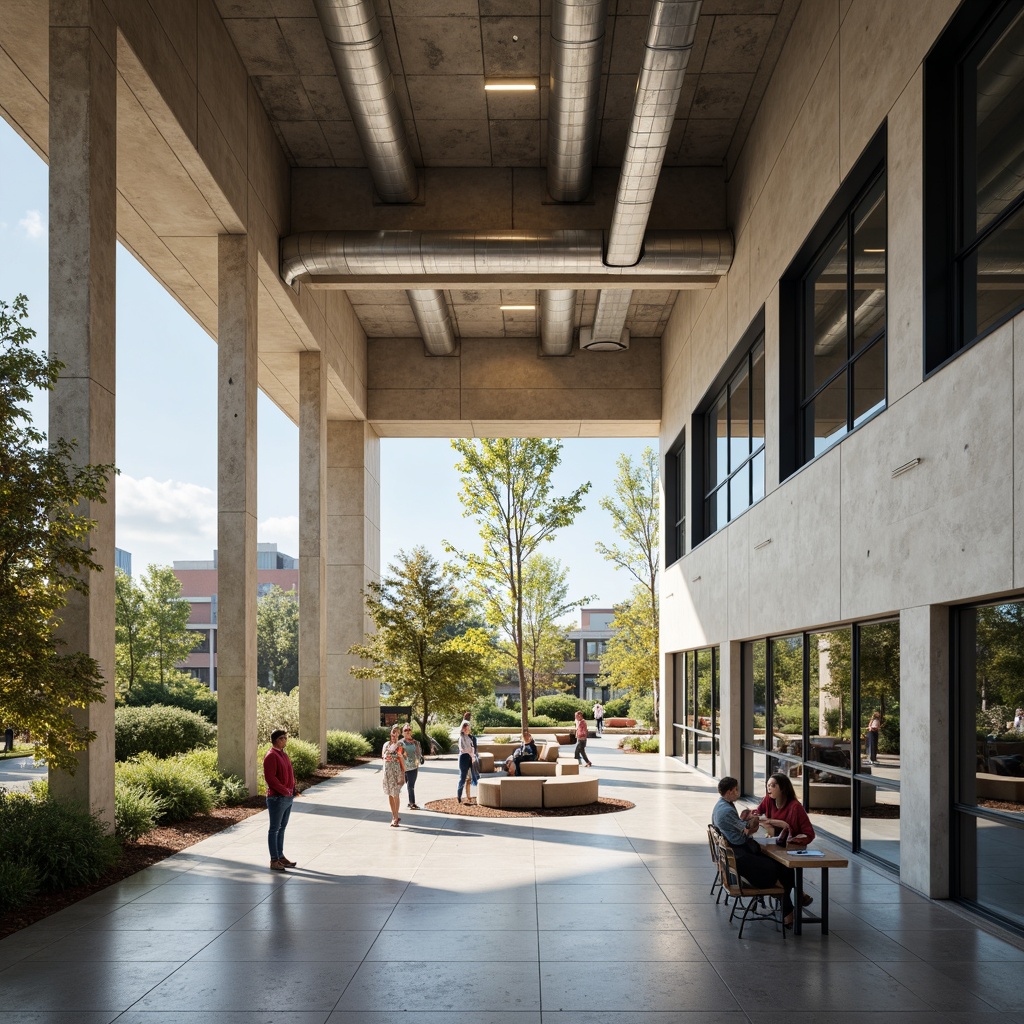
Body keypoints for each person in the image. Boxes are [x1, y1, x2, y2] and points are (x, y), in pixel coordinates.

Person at [712, 776, 801, 927]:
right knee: (781, 869)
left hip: (736, 856)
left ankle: (791, 908)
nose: (738, 792)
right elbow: (747, 830)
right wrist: (754, 821)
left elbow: (744, 826)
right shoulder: (726, 810)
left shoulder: (722, 804)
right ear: (729, 792)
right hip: (740, 859)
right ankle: (792, 906)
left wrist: (751, 819)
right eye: (736, 790)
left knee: (782, 869)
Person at [263, 729, 301, 871]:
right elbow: (270, 778)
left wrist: (293, 789)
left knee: (282, 828)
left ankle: (281, 857)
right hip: (277, 798)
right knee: (274, 829)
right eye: (282, 738)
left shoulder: (283, 755)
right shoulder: (271, 756)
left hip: (287, 797)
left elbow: (289, 774)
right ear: (276, 740)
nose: (285, 740)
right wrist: (285, 791)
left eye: (286, 737)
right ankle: (274, 860)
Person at [753, 773, 815, 847]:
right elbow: (757, 812)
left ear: (783, 788)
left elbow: (809, 833)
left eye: (772, 785)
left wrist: (797, 838)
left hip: (787, 844)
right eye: (768, 785)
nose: (769, 788)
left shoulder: (795, 807)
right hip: (770, 841)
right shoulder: (768, 799)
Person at [382, 724, 407, 826]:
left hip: (396, 773)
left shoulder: (400, 746)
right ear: (390, 733)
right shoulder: (386, 745)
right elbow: (383, 758)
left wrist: (403, 774)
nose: (395, 735)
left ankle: (396, 817)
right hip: (387, 773)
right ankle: (393, 815)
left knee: (395, 794)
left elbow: (403, 759)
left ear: (399, 735)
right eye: (393, 732)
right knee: (390, 794)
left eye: (397, 733)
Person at [400, 724, 423, 809]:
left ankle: (411, 802)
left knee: (411, 785)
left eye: (409, 729)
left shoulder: (416, 742)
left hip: (414, 767)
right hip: (404, 767)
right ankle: (411, 802)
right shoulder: (401, 743)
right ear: (402, 733)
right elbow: (398, 754)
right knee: (409, 785)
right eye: (405, 730)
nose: (408, 731)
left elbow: (419, 753)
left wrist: (420, 759)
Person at [456, 719, 478, 803]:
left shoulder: (471, 737)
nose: (467, 729)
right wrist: (470, 752)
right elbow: (464, 749)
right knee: (462, 777)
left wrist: (473, 755)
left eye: (468, 728)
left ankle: (469, 796)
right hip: (464, 758)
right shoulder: (461, 738)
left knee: (471, 777)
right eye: (465, 728)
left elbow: (473, 748)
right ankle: (459, 796)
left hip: (471, 758)